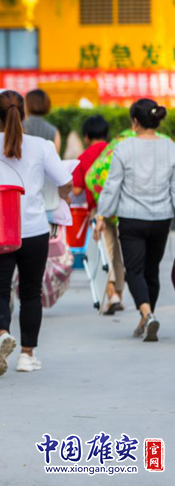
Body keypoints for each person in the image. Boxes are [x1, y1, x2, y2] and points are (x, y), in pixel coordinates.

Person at [0, 91, 72, 375]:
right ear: (24, 114)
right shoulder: (42, 146)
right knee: (30, 293)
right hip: (34, 230)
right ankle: (27, 355)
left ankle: (2, 335)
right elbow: (65, 181)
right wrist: (58, 195)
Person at [95, 99, 175, 342]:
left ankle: (148, 315)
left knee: (134, 271)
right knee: (151, 272)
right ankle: (146, 317)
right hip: (161, 219)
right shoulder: (170, 146)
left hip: (131, 219)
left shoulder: (124, 147)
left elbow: (113, 186)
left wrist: (102, 214)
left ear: (135, 121)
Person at [72, 115, 124, 314]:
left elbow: (76, 190)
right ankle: (119, 293)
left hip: (98, 209)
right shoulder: (114, 150)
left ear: (86, 136)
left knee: (105, 251)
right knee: (118, 252)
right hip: (120, 207)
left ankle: (111, 295)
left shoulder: (84, 157)